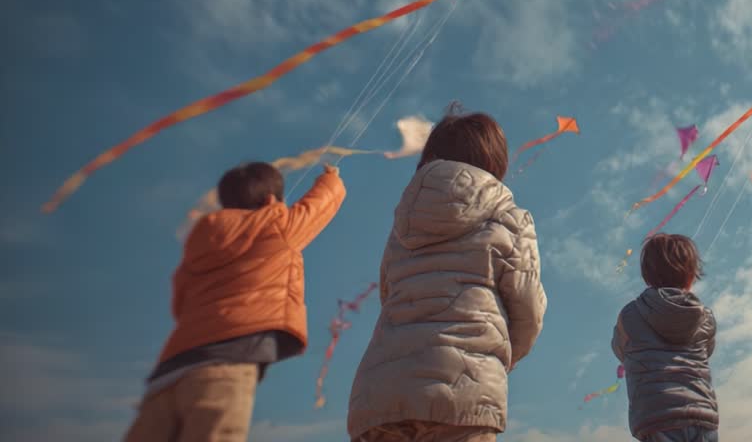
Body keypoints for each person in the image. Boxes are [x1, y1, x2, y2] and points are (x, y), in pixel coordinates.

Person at [348, 103, 547, 442]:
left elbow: (388, 294)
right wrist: (503, 358)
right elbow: (528, 309)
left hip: (380, 397)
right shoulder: (512, 218)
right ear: (494, 160)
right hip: (464, 395)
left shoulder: (402, 225)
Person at [124, 161, 347, 442]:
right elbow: (319, 207)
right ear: (270, 200)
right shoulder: (277, 226)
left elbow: (179, 304)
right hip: (224, 365)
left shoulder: (197, 245)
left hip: (168, 373)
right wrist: (331, 179)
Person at [612, 234, 718, 442]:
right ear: (690, 276)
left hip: (655, 418)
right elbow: (708, 350)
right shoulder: (704, 317)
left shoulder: (630, 315)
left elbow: (619, 349)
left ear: (647, 276)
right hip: (701, 417)